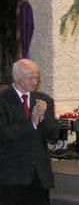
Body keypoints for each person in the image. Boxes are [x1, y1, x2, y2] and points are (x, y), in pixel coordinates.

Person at [0, 59, 60, 205]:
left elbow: (53, 135)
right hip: (12, 176)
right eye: (30, 77)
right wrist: (31, 123)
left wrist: (44, 116)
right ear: (16, 76)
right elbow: (4, 135)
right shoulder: (3, 101)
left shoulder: (44, 100)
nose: (34, 81)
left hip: (39, 175)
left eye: (37, 77)